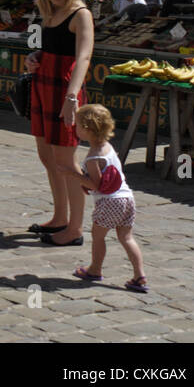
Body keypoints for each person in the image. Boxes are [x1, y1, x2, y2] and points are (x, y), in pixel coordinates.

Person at [24, 0, 95, 247]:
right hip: (44, 85)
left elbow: (84, 57)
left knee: (66, 161)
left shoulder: (81, 14)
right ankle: (60, 217)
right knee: (48, 157)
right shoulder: (49, 14)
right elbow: (49, 49)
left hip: (65, 90)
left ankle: (75, 229)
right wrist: (34, 58)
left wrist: (71, 97)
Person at [64, 104, 148, 292]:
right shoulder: (107, 147)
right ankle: (139, 274)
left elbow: (95, 184)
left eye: (77, 125)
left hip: (109, 202)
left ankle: (95, 269)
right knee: (126, 237)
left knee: (98, 236)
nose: (75, 128)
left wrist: (72, 174)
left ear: (86, 130)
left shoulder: (93, 157)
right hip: (127, 198)